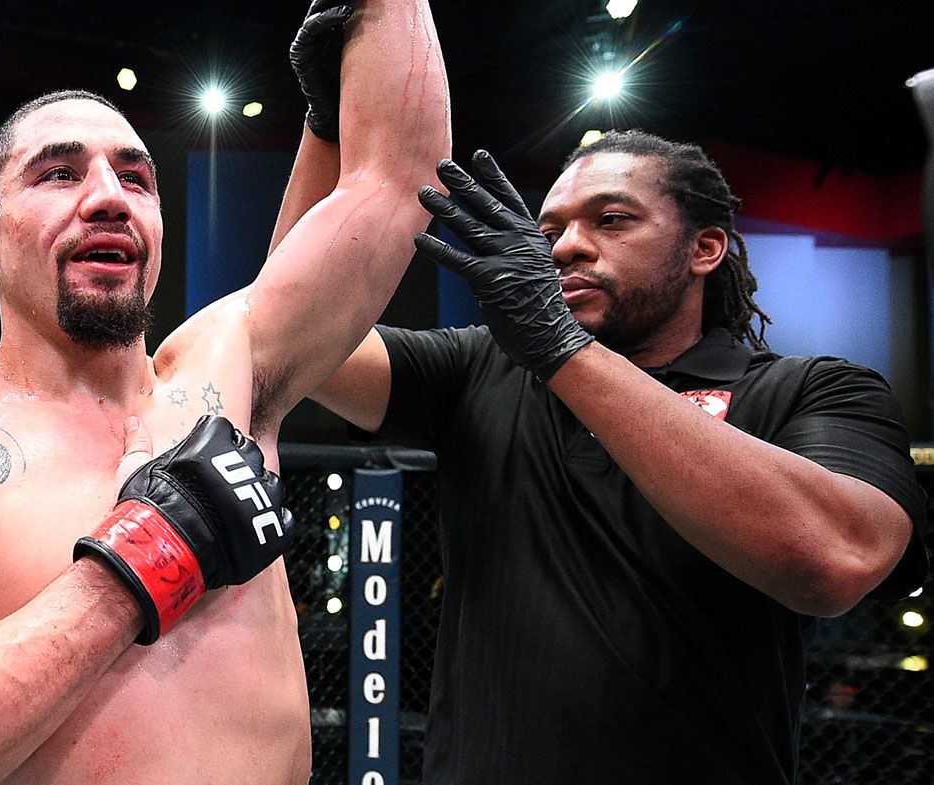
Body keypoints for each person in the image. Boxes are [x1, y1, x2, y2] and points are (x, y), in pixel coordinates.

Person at [0, 2, 450, 783]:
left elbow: (396, 178)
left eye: (136, 176)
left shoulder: (224, 371)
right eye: (59, 173)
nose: (109, 196)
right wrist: (142, 560)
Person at [309, 130, 928, 784]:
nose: (566, 245)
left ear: (705, 247)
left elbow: (835, 557)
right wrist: (327, 130)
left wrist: (562, 351)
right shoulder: (480, 367)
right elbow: (291, 332)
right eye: (548, 230)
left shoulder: (811, 389)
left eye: (611, 220)